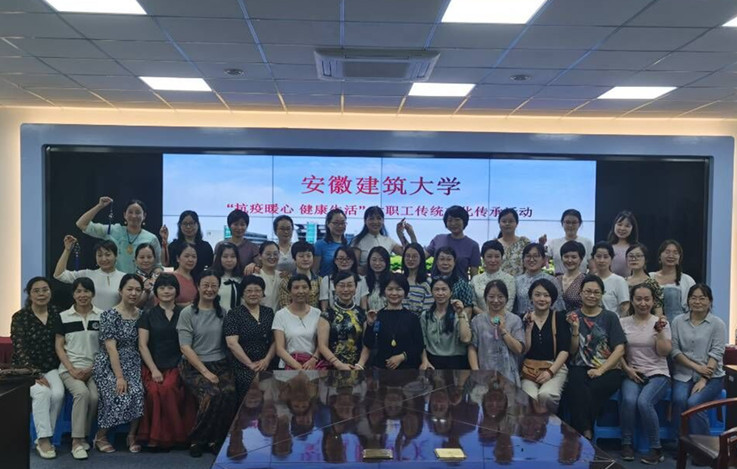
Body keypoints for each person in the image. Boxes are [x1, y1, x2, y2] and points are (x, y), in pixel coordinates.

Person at [177, 269, 237, 457]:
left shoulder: (223, 312)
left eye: (214, 286)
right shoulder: (187, 313)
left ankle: (215, 439)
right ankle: (197, 439)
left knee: (229, 393)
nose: (210, 289)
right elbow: (185, 347)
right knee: (211, 394)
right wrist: (205, 372)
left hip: (220, 364)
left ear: (218, 288)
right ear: (198, 286)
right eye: (206, 285)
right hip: (194, 366)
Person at [563, 275, 626, 439]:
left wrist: (601, 370)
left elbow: (620, 349)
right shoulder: (572, 316)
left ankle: (582, 431)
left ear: (602, 294)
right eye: (588, 291)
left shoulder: (610, 317)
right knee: (575, 387)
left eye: (596, 292)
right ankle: (587, 430)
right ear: (581, 294)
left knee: (592, 389)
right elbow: (571, 351)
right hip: (579, 366)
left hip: (608, 368)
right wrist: (575, 330)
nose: (592, 295)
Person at [137, 274, 194, 451]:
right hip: (153, 365)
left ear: (177, 291)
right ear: (156, 291)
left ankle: (175, 437)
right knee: (154, 392)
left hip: (178, 364)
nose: (166, 291)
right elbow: (142, 345)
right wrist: (154, 369)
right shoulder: (147, 315)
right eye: (162, 288)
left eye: (170, 287)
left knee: (168, 388)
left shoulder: (185, 313)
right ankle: (155, 438)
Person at [619, 283, 671, 464]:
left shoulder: (661, 323)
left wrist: (660, 332)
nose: (643, 303)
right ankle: (626, 443)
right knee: (629, 400)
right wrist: (627, 369)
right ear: (632, 301)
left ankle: (656, 449)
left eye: (647, 299)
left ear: (653, 301)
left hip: (658, 373)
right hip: (632, 372)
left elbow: (664, 352)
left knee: (644, 402)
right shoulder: (622, 322)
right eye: (638, 299)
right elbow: (617, 351)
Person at [11, 277, 63, 459]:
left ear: (50, 292)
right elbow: (20, 349)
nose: (41, 294)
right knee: (42, 393)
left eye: (45, 290)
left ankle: (46, 434)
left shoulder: (57, 313)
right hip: (25, 369)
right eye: (36, 290)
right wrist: (35, 374)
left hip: (51, 367)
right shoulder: (20, 317)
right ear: (29, 294)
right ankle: (44, 439)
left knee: (58, 394)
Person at [92, 274, 145, 453]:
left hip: (134, 361)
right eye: (129, 289)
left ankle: (132, 435)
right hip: (109, 363)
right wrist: (119, 377)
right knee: (119, 394)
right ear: (120, 291)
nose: (133, 293)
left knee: (138, 392)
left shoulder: (142, 315)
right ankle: (100, 436)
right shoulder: (109, 315)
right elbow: (111, 348)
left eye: (138, 290)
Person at [55, 277, 102, 460]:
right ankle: (76, 441)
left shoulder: (102, 315)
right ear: (73, 294)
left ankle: (85, 435)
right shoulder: (63, 316)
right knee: (82, 393)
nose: (82, 295)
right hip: (70, 369)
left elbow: (106, 347)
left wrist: (92, 368)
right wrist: (72, 369)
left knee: (95, 397)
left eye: (86, 291)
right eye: (78, 291)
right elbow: (59, 347)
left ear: (93, 293)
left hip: (94, 368)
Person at [671, 284, 726, 437]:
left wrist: (703, 379)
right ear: (688, 300)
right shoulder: (677, 321)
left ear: (710, 301)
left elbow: (716, 353)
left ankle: (702, 445)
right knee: (679, 399)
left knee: (694, 403)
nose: (697, 302)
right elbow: (674, 350)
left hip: (712, 377)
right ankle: (679, 442)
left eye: (702, 298)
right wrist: (696, 367)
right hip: (683, 374)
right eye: (693, 298)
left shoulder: (718, 324)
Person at [521, 279, 571, 414]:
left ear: (552, 299)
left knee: (546, 395)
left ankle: (548, 424)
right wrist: (528, 330)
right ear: (531, 297)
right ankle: (534, 426)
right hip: (529, 369)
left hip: (555, 367)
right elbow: (523, 350)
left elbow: (564, 350)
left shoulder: (560, 318)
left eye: (546, 295)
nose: (542, 299)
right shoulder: (524, 319)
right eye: (537, 295)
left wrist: (550, 372)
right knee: (529, 397)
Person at [76, 196, 161, 274]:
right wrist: (99, 206)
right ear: (124, 215)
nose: (134, 216)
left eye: (138, 212)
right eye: (130, 212)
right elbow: (81, 224)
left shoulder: (151, 238)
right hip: (114, 280)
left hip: (140, 283)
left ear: (144, 216)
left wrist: (153, 278)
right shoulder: (112, 230)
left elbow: (157, 266)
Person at [224, 275, 276, 402]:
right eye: (249, 291)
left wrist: (267, 360)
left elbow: (276, 340)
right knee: (250, 392)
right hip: (243, 366)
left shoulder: (269, 312)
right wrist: (250, 364)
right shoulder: (234, 314)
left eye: (257, 290)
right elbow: (232, 343)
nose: (253, 294)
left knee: (270, 395)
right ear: (242, 294)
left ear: (263, 293)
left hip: (267, 364)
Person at [362, 273, 424, 370]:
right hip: (381, 369)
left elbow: (419, 346)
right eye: (390, 289)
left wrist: (401, 357)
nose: (394, 293)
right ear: (384, 292)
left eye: (398, 289)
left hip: (407, 371)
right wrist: (370, 325)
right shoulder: (377, 316)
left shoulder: (412, 318)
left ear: (405, 292)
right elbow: (369, 344)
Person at [468, 280, 525, 385]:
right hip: (484, 375)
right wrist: (476, 371)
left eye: (500, 297)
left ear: (506, 298)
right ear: (485, 298)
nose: (495, 300)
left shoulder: (515, 320)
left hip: (509, 376)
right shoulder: (477, 321)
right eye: (491, 296)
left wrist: (503, 331)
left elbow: (519, 349)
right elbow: (472, 348)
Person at [54, 235, 126, 311]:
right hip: (92, 317)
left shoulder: (124, 277)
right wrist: (67, 250)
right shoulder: (87, 275)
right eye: (99, 255)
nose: (104, 259)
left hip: (117, 317)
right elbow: (59, 275)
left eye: (107, 255)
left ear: (116, 256)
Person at [317, 271, 369, 370]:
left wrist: (360, 364)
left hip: (357, 368)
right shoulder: (327, 315)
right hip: (331, 368)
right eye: (341, 286)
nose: (346, 289)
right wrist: (338, 364)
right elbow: (322, 345)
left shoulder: (362, 314)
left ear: (356, 288)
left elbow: (367, 343)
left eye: (350, 285)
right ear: (335, 288)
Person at [273, 274, 324, 370]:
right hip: (288, 366)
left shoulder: (317, 313)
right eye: (296, 288)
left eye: (304, 287)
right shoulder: (280, 315)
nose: (301, 291)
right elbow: (279, 349)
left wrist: (314, 359)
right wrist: (298, 367)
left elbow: (322, 344)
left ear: (310, 290)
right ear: (289, 291)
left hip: (312, 366)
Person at [419, 278, 471, 370]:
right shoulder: (426, 316)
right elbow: (422, 342)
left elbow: (466, 339)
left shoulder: (459, 314)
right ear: (431, 292)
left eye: (444, 289)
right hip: (433, 361)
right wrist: (425, 360)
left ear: (451, 292)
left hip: (457, 362)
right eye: (436, 289)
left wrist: (461, 314)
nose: (440, 293)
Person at [423, 205, 480, 279]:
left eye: (457, 220)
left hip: (460, 285)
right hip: (436, 284)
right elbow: (420, 258)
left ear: (464, 221)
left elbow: (474, 276)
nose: (453, 223)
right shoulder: (438, 239)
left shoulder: (473, 245)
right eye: (450, 220)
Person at [650, 240, 696, 324]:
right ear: (660, 256)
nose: (671, 255)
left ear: (679, 258)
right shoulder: (650, 277)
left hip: (679, 325)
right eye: (667, 252)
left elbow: (690, 308)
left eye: (675, 253)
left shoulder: (687, 280)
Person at [513, 243, 564, 317]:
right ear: (523, 259)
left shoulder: (551, 280)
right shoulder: (516, 281)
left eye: (536, 256)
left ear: (543, 259)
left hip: (546, 321)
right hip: (521, 321)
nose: (531, 259)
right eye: (528, 256)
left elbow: (559, 306)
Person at [351, 206, 404, 273]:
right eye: (371, 218)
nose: (375, 222)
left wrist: (400, 234)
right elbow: (353, 268)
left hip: (385, 279)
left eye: (379, 218)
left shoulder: (388, 240)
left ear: (383, 221)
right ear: (365, 221)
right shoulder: (357, 241)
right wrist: (369, 268)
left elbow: (407, 253)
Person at [160, 210, 213, 278]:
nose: (188, 227)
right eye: (185, 224)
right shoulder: (174, 246)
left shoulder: (206, 247)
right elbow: (165, 264)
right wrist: (164, 242)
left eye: (191, 223)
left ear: (197, 224)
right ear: (180, 225)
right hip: (177, 280)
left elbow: (210, 268)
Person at [471, 240, 515, 314]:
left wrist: (496, 319)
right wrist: (487, 318)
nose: (493, 260)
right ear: (483, 258)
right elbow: (473, 305)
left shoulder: (510, 279)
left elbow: (509, 306)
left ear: (502, 258)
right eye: (489, 256)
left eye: (497, 256)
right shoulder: (475, 280)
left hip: (505, 319)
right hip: (480, 319)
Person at [319, 246, 369, 311]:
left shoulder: (361, 280)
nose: (344, 262)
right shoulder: (326, 280)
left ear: (353, 261)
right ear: (335, 261)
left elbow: (364, 307)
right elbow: (324, 309)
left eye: (348, 259)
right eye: (341, 259)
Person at [544, 209, 593, 275]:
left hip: (581, 279)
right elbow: (543, 263)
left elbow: (593, 268)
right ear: (562, 223)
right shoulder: (553, 243)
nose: (570, 225)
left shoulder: (587, 242)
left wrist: (586, 280)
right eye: (567, 222)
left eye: (574, 222)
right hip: (559, 279)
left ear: (580, 224)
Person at [432, 247, 474, 318]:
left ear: (454, 262)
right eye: (442, 259)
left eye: (449, 259)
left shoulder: (463, 285)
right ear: (437, 262)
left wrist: (457, 321)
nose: (445, 263)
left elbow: (468, 309)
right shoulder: (430, 282)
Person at [625, 243, 664, 317]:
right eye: (631, 256)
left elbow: (658, 310)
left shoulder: (652, 283)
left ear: (645, 259)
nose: (634, 259)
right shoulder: (622, 282)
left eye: (638, 256)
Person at [591, 241, 630, 316]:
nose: (602, 260)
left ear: (611, 259)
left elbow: (625, 307)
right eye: (598, 256)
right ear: (593, 258)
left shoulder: (619, 281)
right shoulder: (589, 279)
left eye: (606, 257)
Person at [279, 241, 321, 308]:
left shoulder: (319, 281)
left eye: (309, 256)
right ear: (294, 259)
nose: (305, 259)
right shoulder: (286, 281)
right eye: (301, 256)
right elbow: (285, 307)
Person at [400, 242, 433, 315]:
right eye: (407, 256)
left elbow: (427, 310)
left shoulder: (427, 282)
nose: (410, 259)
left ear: (421, 258)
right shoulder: (399, 280)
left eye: (414, 256)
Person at [496, 208, 531, 277]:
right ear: (499, 224)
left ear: (517, 223)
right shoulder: (494, 244)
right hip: (498, 282)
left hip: (521, 282)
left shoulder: (524, 242)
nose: (507, 224)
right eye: (504, 221)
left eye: (511, 221)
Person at [313, 208, 348, 277]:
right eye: (336, 223)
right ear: (328, 224)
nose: (340, 226)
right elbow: (315, 271)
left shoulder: (349, 244)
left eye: (342, 223)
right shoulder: (320, 245)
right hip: (325, 282)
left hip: (346, 282)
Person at [212, 242, 243, 313]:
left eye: (233, 256)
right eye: (225, 257)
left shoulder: (241, 279)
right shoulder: (213, 278)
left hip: (238, 318)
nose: (229, 260)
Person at [606, 210, 639, 277]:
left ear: (632, 228)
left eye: (627, 226)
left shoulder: (636, 248)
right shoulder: (607, 247)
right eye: (619, 224)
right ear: (614, 225)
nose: (622, 228)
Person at [557, 240, 587, 312]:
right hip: (556, 318)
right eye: (566, 256)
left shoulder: (585, 281)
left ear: (581, 259)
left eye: (574, 257)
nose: (569, 260)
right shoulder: (556, 280)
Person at [133, 243, 163, 309]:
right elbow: (132, 305)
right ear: (135, 259)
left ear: (154, 258)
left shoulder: (161, 277)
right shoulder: (132, 279)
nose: (146, 260)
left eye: (149, 257)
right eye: (142, 257)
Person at [256, 241, 282, 312]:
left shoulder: (283, 277)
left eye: (275, 254)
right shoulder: (255, 277)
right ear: (260, 256)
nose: (272, 257)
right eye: (268, 254)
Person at [364, 246, 391, 312]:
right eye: (374, 260)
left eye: (381, 260)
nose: (377, 263)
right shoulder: (363, 281)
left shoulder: (392, 280)